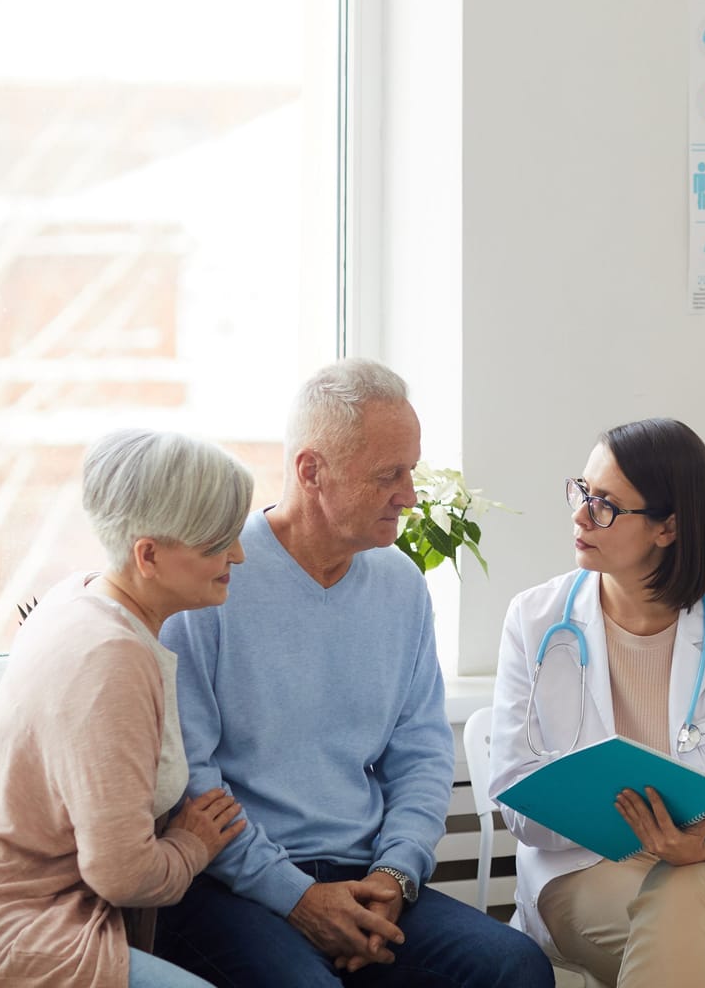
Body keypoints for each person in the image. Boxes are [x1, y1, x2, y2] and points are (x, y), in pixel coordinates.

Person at [153, 359, 552, 988]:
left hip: (367, 875)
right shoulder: (212, 580)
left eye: (412, 471)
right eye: (388, 474)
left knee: (513, 966)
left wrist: (394, 877)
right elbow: (190, 781)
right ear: (311, 471)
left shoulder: (401, 587)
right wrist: (296, 898)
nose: (411, 495)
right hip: (233, 885)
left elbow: (420, 755)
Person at [0, 429, 256, 988]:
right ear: (148, 554)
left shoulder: (79, 594)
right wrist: (191, 845)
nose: (238, 555)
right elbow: (123, 874)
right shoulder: (111, 656)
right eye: (215, 543)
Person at [487, 418, 705, 987]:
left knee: (685, 897)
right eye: (581, 492)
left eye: (605, 504)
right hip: (588, 870)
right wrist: (625, 824)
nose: (580, 516)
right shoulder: (534, 621)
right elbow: (516, 795)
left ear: (668, 528)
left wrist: (698, 848)